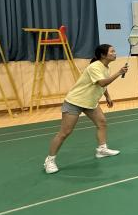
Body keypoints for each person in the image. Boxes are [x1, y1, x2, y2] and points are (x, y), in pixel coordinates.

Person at [43, 44, 128, 174]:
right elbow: (102, 82)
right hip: (75, 101)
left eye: (114, 51)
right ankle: (49, 161)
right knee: (65, 132)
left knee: (102, 123)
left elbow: (102, 84)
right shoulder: (95, 67)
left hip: (90, 102)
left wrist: (107, 96)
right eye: (112, 51)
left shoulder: (105, 67)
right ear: (103, 55)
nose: (115, 53)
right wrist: (119, 73)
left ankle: (102, 149)